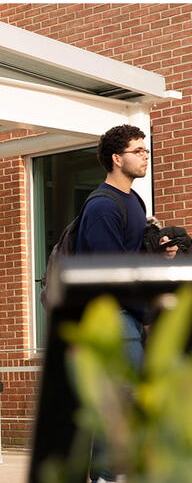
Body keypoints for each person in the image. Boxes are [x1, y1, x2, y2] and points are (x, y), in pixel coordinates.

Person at [75, 124, 150, 483]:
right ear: (117, 159)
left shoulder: (134, 201)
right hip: (111, 316)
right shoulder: (103, 206)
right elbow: (111, 272)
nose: (145, 155)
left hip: (131, 315)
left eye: (145, 149)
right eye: (138, 150)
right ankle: (106, 475)